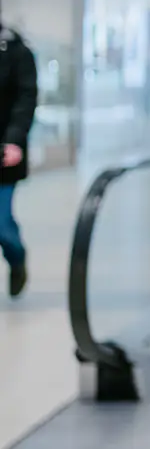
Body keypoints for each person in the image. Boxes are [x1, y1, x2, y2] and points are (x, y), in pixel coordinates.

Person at [0, 21, 37, 298]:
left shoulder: (16, 51)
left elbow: (26, 98)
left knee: (1, 223)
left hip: (3, 153)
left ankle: (16, 256)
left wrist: (14, 140)